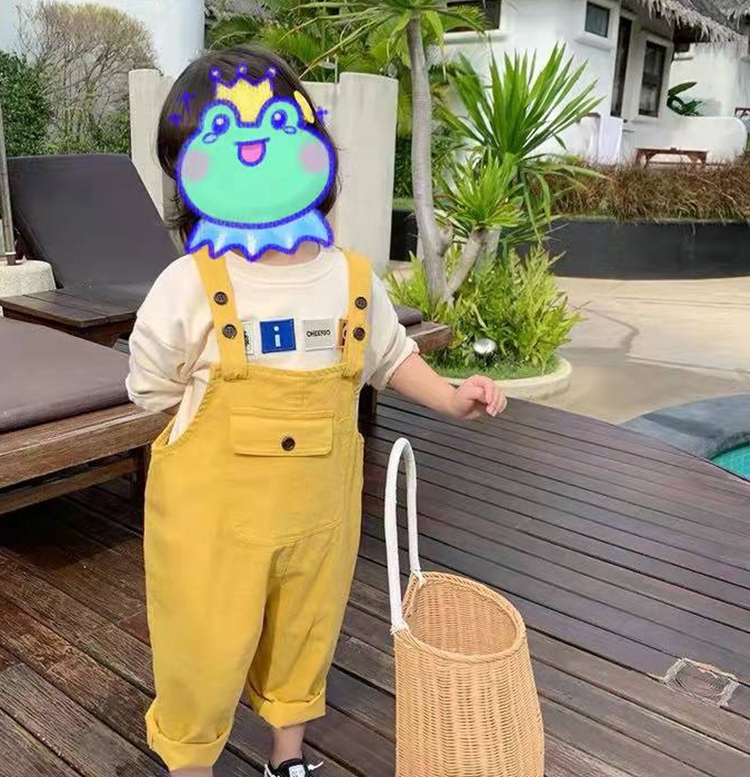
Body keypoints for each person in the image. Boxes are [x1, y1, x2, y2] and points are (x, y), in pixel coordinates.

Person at [127, 45, 507, 777]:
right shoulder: (186, 285)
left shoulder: (352, 279)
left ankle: (289, 756)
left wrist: (451, 396)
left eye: (277, 128)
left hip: (318, 520)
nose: (253, 152)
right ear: (188, 174)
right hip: (210, 527)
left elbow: (391, 358)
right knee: (201, 646)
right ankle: (190, 762)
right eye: (222, 138)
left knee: (305, 632)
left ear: (316, 149)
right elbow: (152, 387)